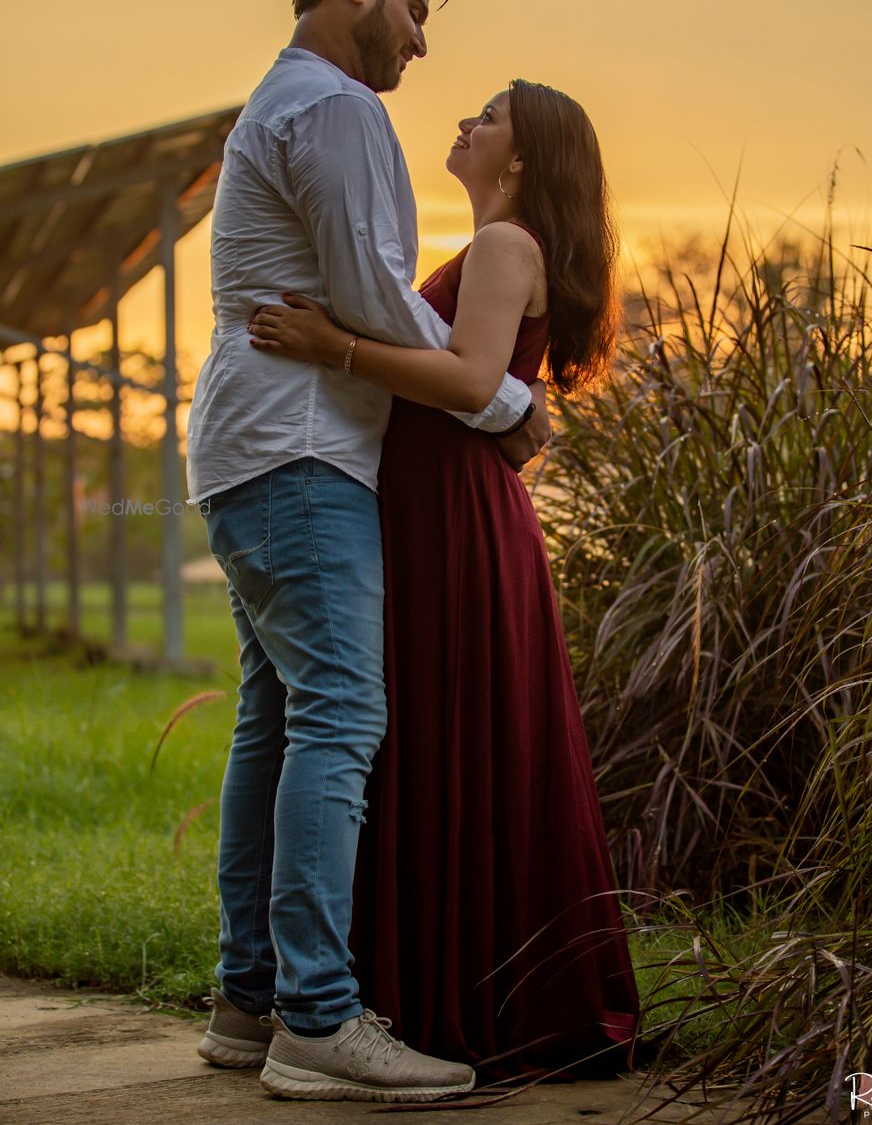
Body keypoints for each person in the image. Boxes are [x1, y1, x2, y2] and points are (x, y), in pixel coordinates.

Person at [184, 0, 550, 1104]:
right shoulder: (337, 109)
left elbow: (355, 297)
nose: (420, 44)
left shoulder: (274, 104)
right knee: (338, 717)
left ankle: (248, 999)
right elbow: (369, 298)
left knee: (277, 722)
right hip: (299, 452)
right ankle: (320, 1018)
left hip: (248, 446)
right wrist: (505, 403)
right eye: (414, 11)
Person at [247, 79, 641, 1078]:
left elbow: (470, 380)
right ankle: (415, 990)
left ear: (521, 155)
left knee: (442, 727)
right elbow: (487, 389)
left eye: (491, 115)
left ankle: (438, 994)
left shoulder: (507, 248)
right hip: (437, 510)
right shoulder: (487, 251)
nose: (467, 122)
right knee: (433, 733)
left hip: (457, 520)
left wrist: (329, 344)